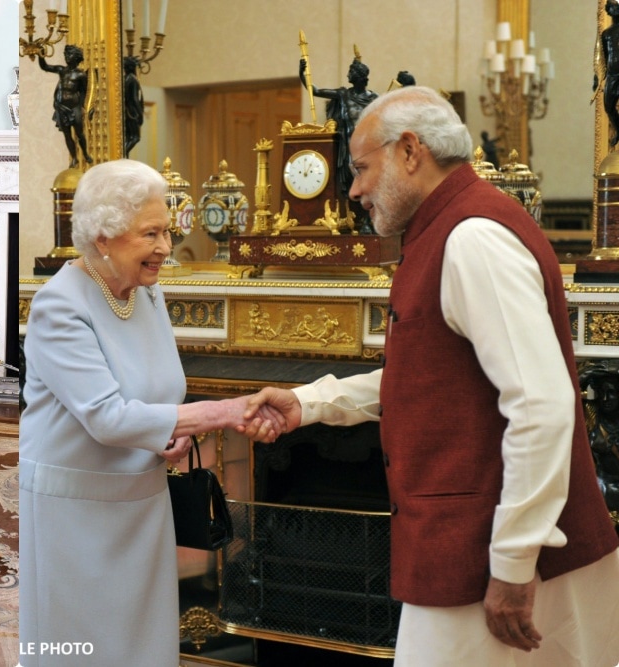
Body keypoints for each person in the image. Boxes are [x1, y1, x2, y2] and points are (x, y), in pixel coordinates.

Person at [244, 86, 619, 666]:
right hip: (474, 549)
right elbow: (436, 376)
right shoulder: (449, 229)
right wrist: (310, 403)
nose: (354, 190)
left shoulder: (472, 238)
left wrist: (514, 560)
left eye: (361, 168)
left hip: (490, 558)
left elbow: (541, 405)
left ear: (410, 150)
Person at [19, 159, 284, 666]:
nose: (166, 246)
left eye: (167, 231)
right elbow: (107, 417)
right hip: (75, 512)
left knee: (141, 644)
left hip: (142, 501)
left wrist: (172, 428)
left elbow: (162, 390)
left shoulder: (146, 291)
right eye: (151, 233)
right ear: (103, 237)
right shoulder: (60, 306)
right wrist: (222, 413)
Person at [300, 52, 378, 234]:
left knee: (370, 181)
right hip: (348, 146)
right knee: (352, 182)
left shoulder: (374, 98)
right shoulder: (343, 94)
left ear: (360, 77)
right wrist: (301, 74)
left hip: (369, 147)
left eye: (351, 72)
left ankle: (368, 220)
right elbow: (315, 91)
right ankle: (353, 218)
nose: (348, 75)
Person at [39, 44, 93, 169]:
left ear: (76, 57)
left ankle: (85, 153)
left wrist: (83, 106)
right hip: (61, 107)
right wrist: (40, 54)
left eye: (70, 54)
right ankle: (74, 158)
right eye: (66, 54)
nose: (67, 56)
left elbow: (84, 92)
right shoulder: (61, 70)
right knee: (67, 135)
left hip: (74, 107)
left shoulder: (80, 75)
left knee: (80, 133)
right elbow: (45, 66)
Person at [597, 0, 619, 149]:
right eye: (611, 8)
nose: (613, 11)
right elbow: (603, 57)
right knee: (608, 106)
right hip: (612, 75)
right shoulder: (606, 34)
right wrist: (597, 79)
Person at [122, 55, 143, 158]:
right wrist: (140, 113)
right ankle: (123, 155)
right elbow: (135, 98)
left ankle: (124, 155)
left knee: (128, 137)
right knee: (135, 137)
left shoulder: (125, 78)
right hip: (132, 111)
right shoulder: (133, 79)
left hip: (127, 111)